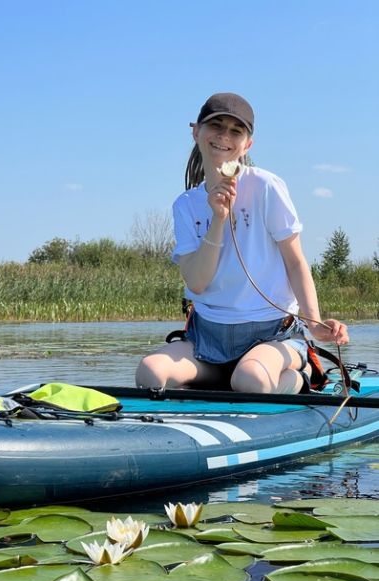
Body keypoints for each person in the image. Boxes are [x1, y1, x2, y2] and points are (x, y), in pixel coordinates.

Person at [136, 92, 349, 394]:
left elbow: (295, 261)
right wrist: (219, 219)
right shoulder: (185, 205)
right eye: (216, 126)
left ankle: (301, 376)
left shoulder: (266, 187)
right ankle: (224, 381)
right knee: (150, 374)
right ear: (196, 132)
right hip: (208, 337)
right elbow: (196, 283)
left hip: (272, 335)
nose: (224, 137)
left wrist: (314, 323)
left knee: (250, 381)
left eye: (236, 131)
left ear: (247, 144)